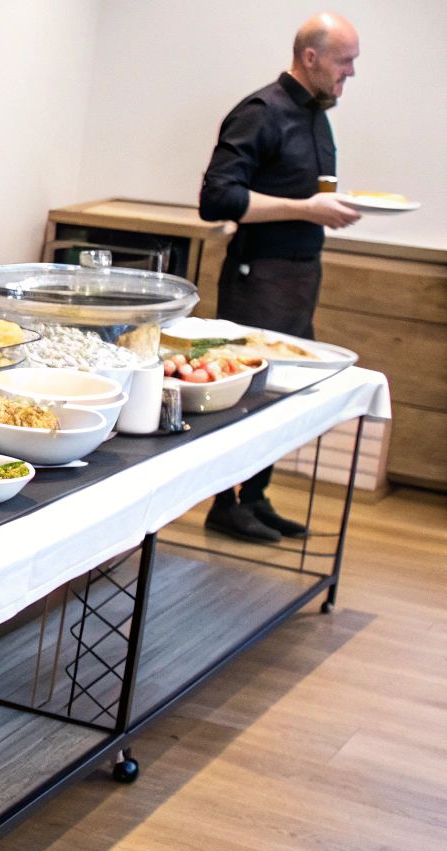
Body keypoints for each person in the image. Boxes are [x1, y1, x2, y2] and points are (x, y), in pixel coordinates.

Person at [197, 11, 362, 543]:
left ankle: (256, 496)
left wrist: (316, 209)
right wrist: (307, 209)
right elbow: (217, 199)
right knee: (246, 393)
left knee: (282, 397)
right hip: (257, 277)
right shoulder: (260, 112)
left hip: (297, 278)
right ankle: (224, 503)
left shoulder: (318, 113)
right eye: (345, 60)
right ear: (310, 57)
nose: (351, 72)